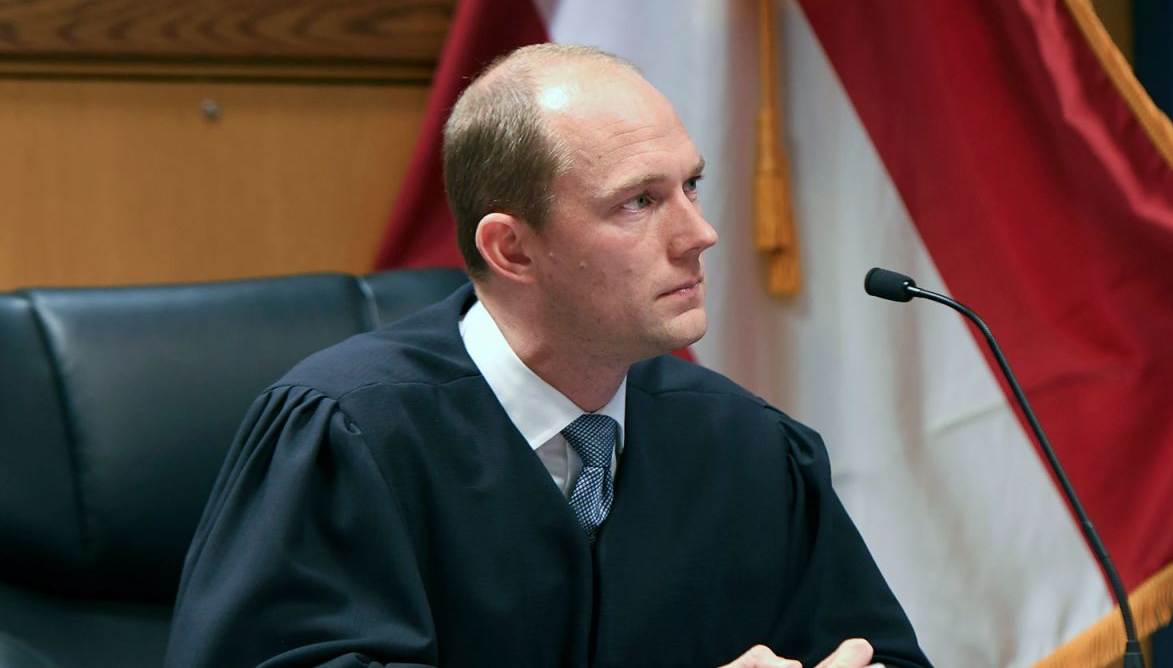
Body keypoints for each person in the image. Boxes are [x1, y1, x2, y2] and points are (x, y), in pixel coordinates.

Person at [165, 44, 932, 668]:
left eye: (692, 186)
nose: (700, 234)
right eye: (639, 202)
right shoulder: (349, 437)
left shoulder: (749, 450)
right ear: (512, 248)